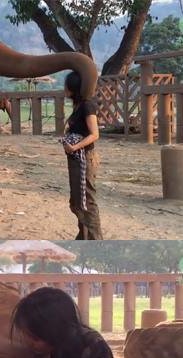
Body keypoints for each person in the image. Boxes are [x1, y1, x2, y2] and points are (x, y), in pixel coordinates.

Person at [61, 72, 103, 239]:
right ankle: (83, 237)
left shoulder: (87, 106)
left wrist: (75, 146)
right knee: (78, 201)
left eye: (66, 86)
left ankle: (95, 240)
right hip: (76, 158)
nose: (64, 89)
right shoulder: (78, 105)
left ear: (73, 88)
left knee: (87, 201)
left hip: (84, 157)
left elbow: (94, 134)